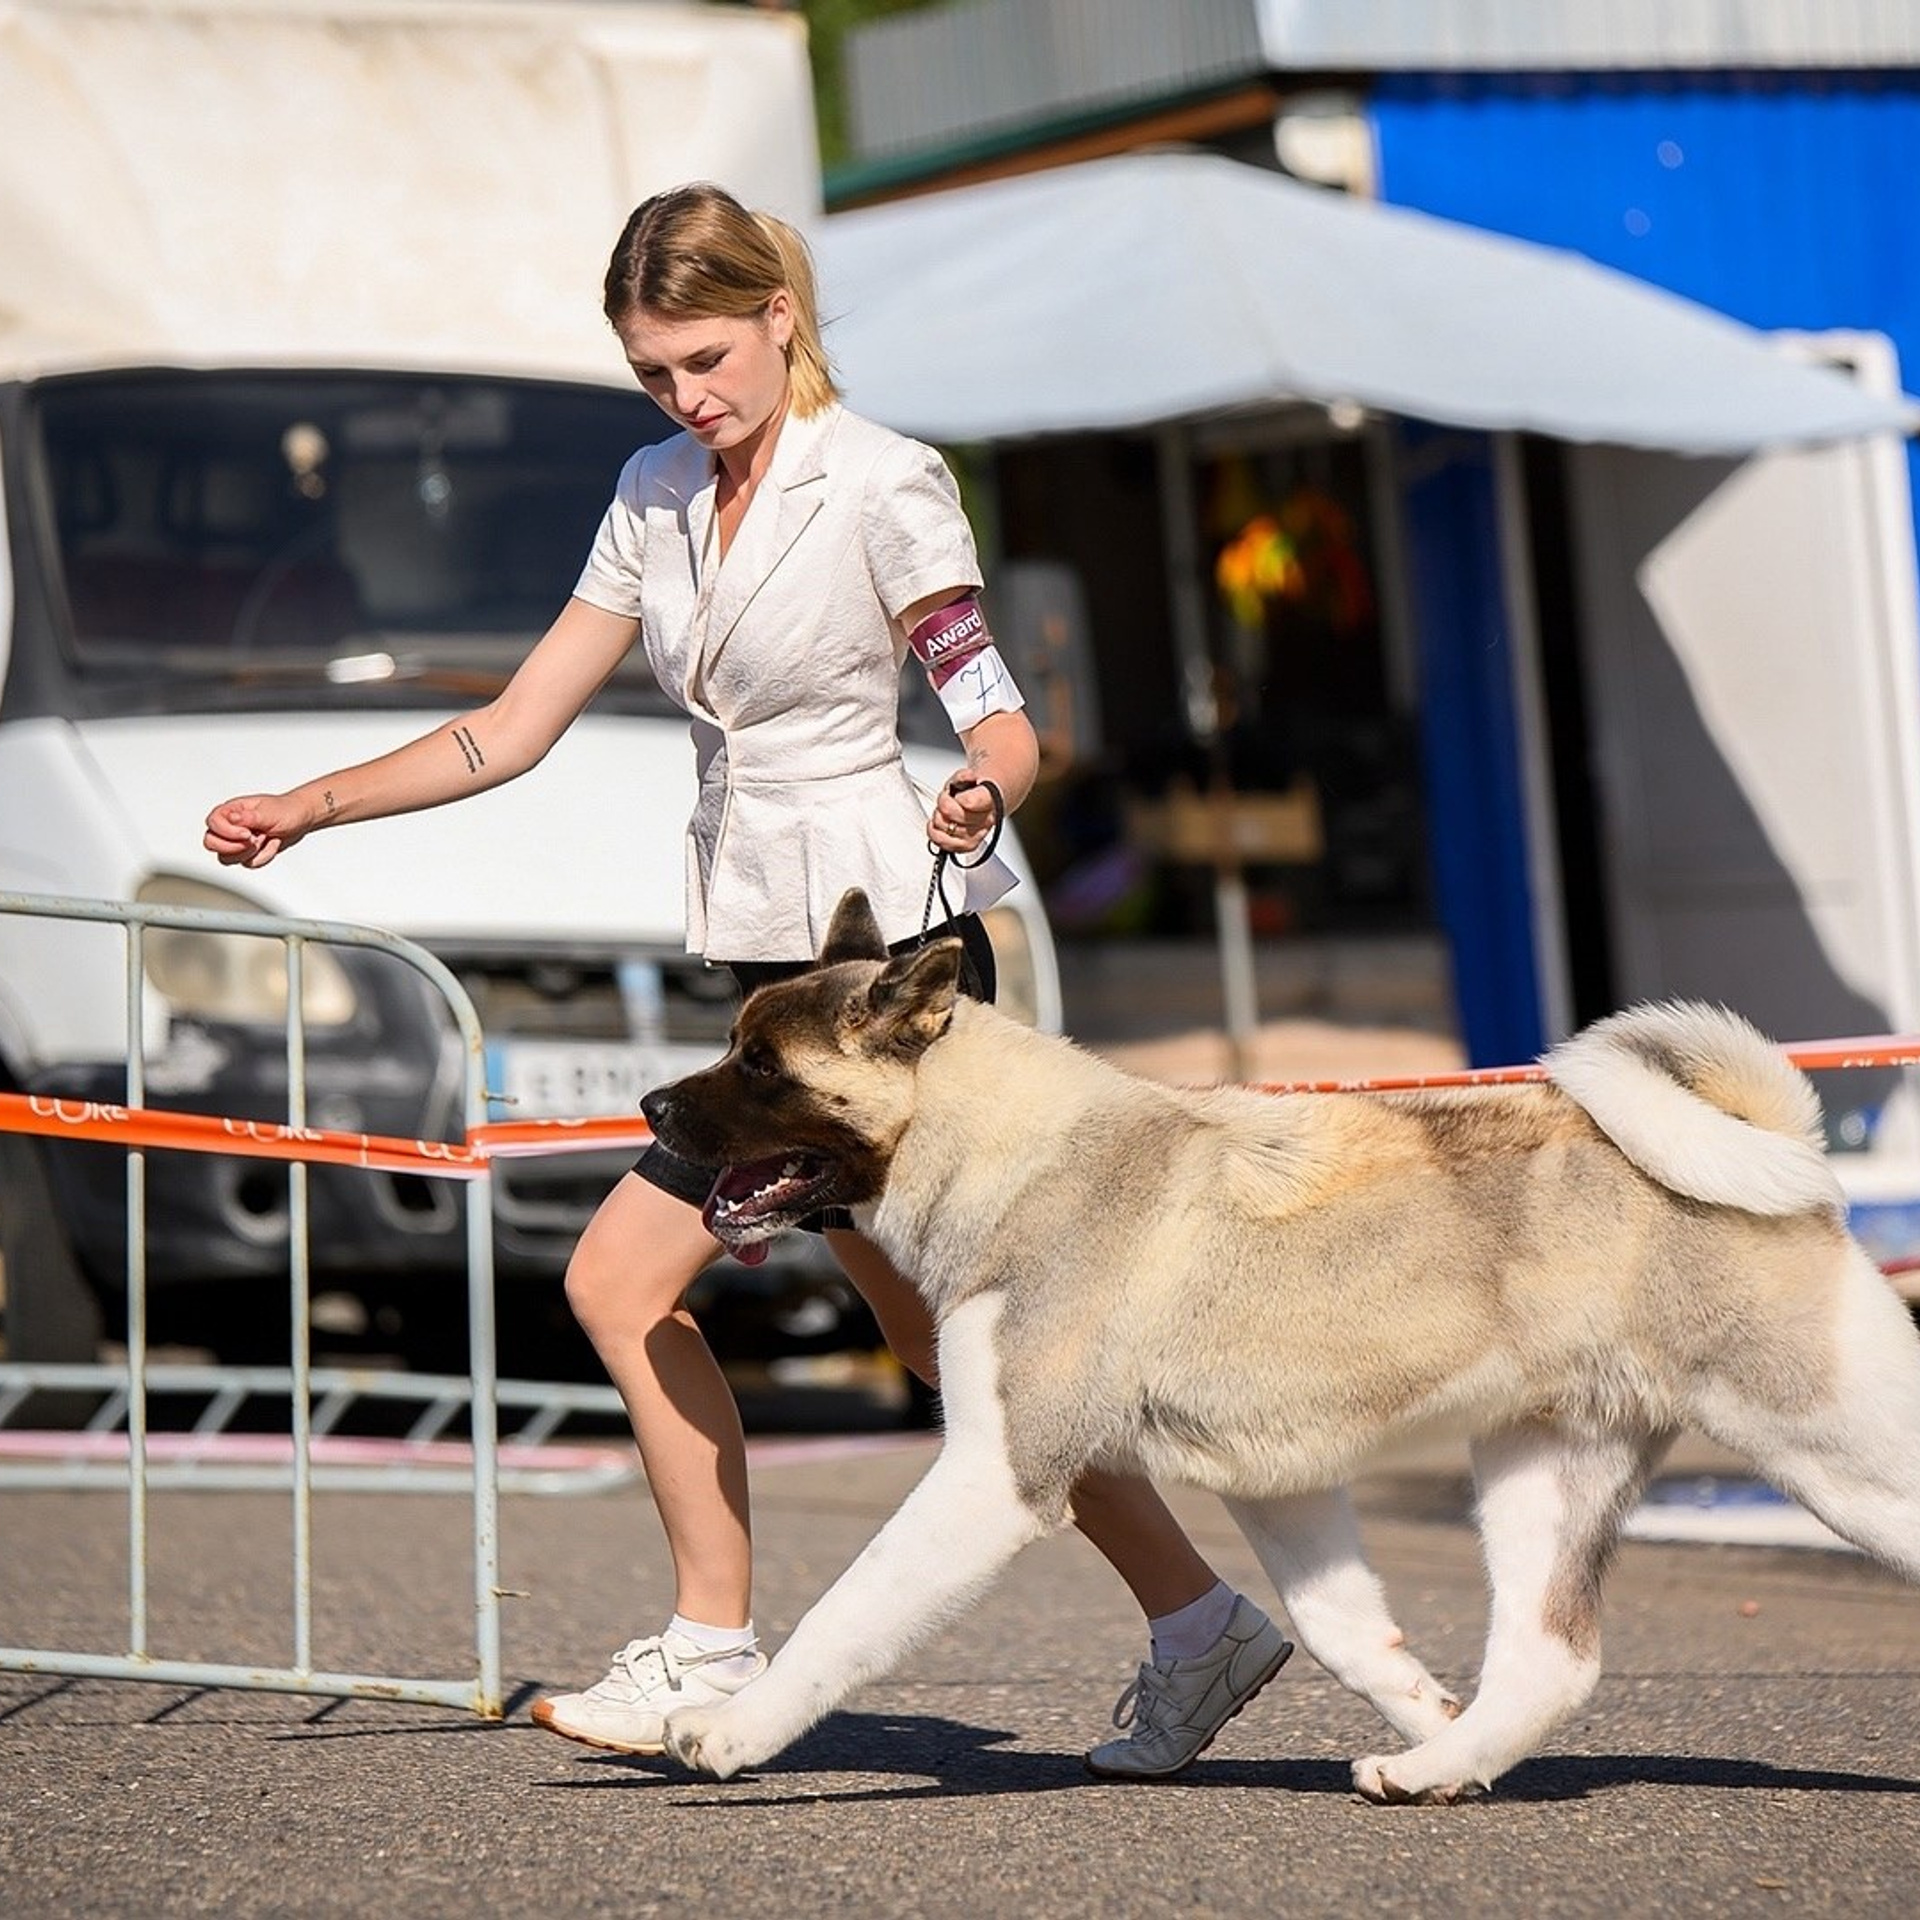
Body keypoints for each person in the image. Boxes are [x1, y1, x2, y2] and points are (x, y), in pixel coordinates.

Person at [203, 182, 1291, 1777]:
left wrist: (994, 782)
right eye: (655, 372)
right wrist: (312, 804)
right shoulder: (651, 494)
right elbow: (509, 729)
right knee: (947, 1347)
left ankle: (719, 1644)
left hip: (874, 974)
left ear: (781, 313)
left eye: (706, 357)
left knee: (664, 1289)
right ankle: (1193, 1624)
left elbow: (995, 712)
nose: (685, 397)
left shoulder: (889, 484)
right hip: (760, 965)